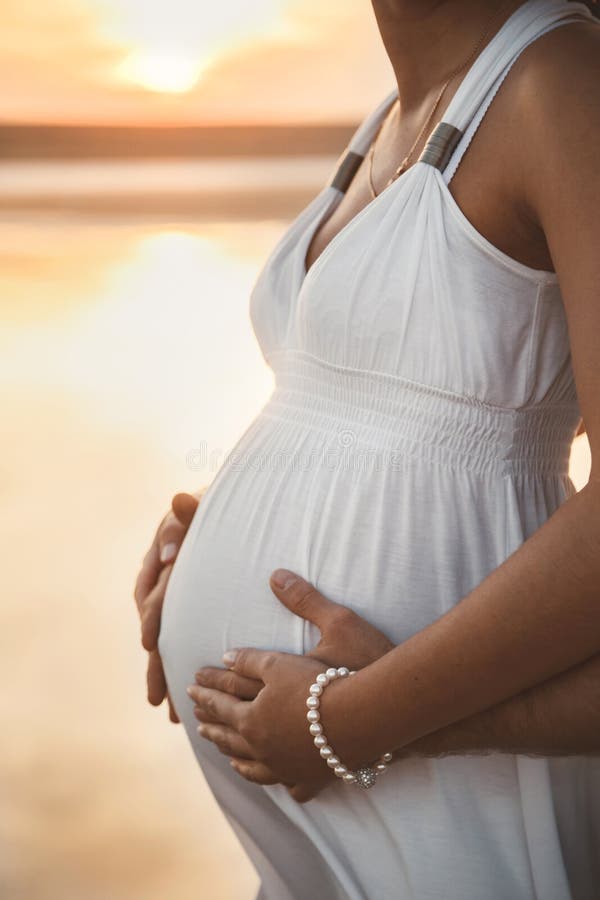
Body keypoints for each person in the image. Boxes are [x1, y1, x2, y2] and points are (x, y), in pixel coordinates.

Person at [134, 1, 600, 897]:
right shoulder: (390, 117)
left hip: (459, 789)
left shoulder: (559, 83)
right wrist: (208, 536)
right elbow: (364, 409)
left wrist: (353, 719)